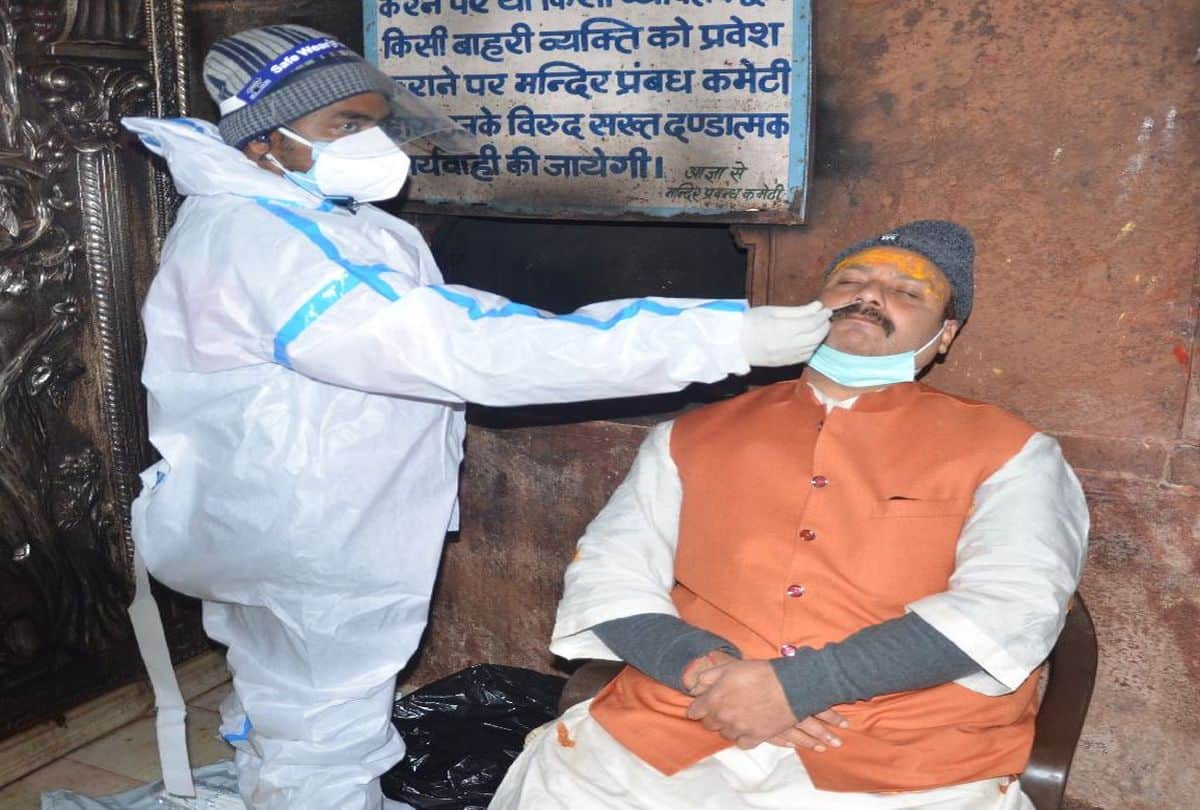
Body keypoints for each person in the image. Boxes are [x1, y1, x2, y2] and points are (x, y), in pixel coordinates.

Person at [120, 23, 835, 810]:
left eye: (376, 122)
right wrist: (721, 336)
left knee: (286, 695)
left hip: (265, 511)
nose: (373, 143)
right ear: (264, 139)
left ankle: (276, 785)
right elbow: (468, 347)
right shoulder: (267, 240)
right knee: (328, 727)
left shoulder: (314, 215)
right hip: (312, 532)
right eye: (345, 125)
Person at [491, 220, 1090, 810]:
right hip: (683, 715)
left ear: (945, 336)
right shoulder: (690, 435)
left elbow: (1010, 605)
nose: (870, 295)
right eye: (850, 281)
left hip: (905, 753)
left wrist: (800, 687)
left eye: (908, 293)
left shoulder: (1013, 451)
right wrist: (704, 671)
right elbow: (609, 575)